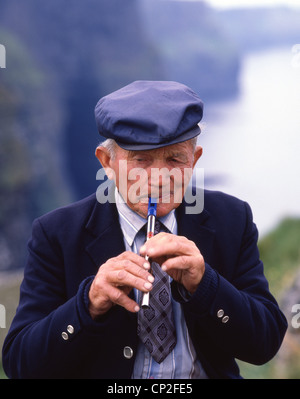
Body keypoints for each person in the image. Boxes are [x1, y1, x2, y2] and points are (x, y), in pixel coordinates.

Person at [2, 80, 287, 379]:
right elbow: (21, 365)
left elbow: (264, 345)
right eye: (141, 161)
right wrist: (88, 303)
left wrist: (207, 285)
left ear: (195, 159)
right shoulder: (56, 234)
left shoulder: (231, 218)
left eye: (175, 159)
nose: (160, 179)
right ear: (107, 162)